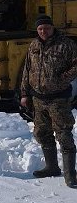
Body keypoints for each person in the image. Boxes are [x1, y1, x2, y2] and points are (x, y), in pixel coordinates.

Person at [20, 14, 77, 188]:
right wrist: (24, 93)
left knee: (64, 135)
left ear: (52, 28)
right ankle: (51, 167)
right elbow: (27, 69)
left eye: (46, 28)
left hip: (58, 99)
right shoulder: (34, 45)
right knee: (42, 133)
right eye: (40, 29)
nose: (43, 31)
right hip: (38, 99)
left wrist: (62, 79)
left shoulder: (66, 44)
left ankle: (70, 175)